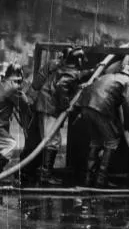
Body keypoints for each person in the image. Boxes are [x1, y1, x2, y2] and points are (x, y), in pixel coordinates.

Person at [26, 46, 91, 186]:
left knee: (49, 140)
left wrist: (91, 72)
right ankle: (45, 176)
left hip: (45, 105)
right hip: (49, 107)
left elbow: (75, 75)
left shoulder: (59, 66)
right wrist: (66, 105)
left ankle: (44, 173)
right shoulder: (65, 71)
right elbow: (64, 84)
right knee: (52, 141)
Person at [78, 58, 129, 187]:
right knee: (112, 141)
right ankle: (101, 179)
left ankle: (88, 178)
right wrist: (127, 125)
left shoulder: (107, 76)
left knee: (96, 141)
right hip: (100, 109)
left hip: (85, 107)